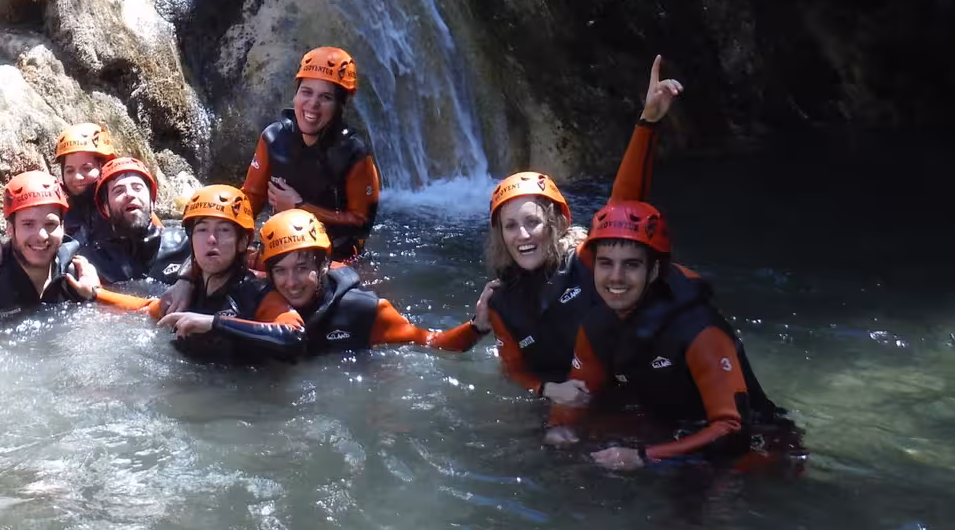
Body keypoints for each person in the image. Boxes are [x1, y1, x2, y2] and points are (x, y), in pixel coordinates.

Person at [471, 56, 684, 396]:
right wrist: (547, 390)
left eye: (532, 221)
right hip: (559, 406)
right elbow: (513, 370)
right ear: (501, 236)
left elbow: (623, 204)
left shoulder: (587, 260)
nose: (522, 234)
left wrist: (648, 122)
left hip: (624, 397)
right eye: (510, 226)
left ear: (555, 223)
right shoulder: (501, 302)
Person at [549, 200, 790, 468]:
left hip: (754, 445)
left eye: (631, 265)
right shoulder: (596, 324)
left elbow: (732, 430)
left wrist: (644, 457)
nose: (615, 277)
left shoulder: (699, 330)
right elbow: (578, 393)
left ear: (653, 271)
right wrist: (560, 426)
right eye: (605, 263)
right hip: (668, 425)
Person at [99, 185, 304, 362]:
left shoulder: (257, 292)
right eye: (202, 230)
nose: (211, 239)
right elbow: (144, 309)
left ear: (243, 242)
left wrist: (213, 323)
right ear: (191, 239)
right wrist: (94, 293)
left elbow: (294, 337)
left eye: (223, 230)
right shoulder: (186, 294)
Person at [242, 210, 482, 356]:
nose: (291, 282)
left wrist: (477, 327)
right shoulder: (257, 299)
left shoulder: (362, 309)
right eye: (281, 271)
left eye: (302, 268)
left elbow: (433, 342)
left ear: (323, 265)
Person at [240, 46, 380, 259]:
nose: (313, 104)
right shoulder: (273, 138)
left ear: (339, 106)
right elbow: (250, 199)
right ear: (295, 96)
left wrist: (300, 207)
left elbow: (360, 224)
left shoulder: (354, 153)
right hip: (283, 246)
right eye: (306, 92)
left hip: (335, 255)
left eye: (326, 97)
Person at [0, 170, 105, 315]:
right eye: (28, 224)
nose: (42, 236)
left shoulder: (78, 274)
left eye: (50, 224)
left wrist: (94, 296)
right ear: (10, 229)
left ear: (62, 227)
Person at [74, 156, 190, 283]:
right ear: (105, 207)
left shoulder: (187, 245)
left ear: (152, 201)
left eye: (137, 188)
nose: (130, 194)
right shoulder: (92, 261)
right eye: (118, 191)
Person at [54, 122, 118, 238]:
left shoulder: (123, 206)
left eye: (87, 168)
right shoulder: (58, 214)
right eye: (69, 170)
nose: (77, 177)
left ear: (104, 166)